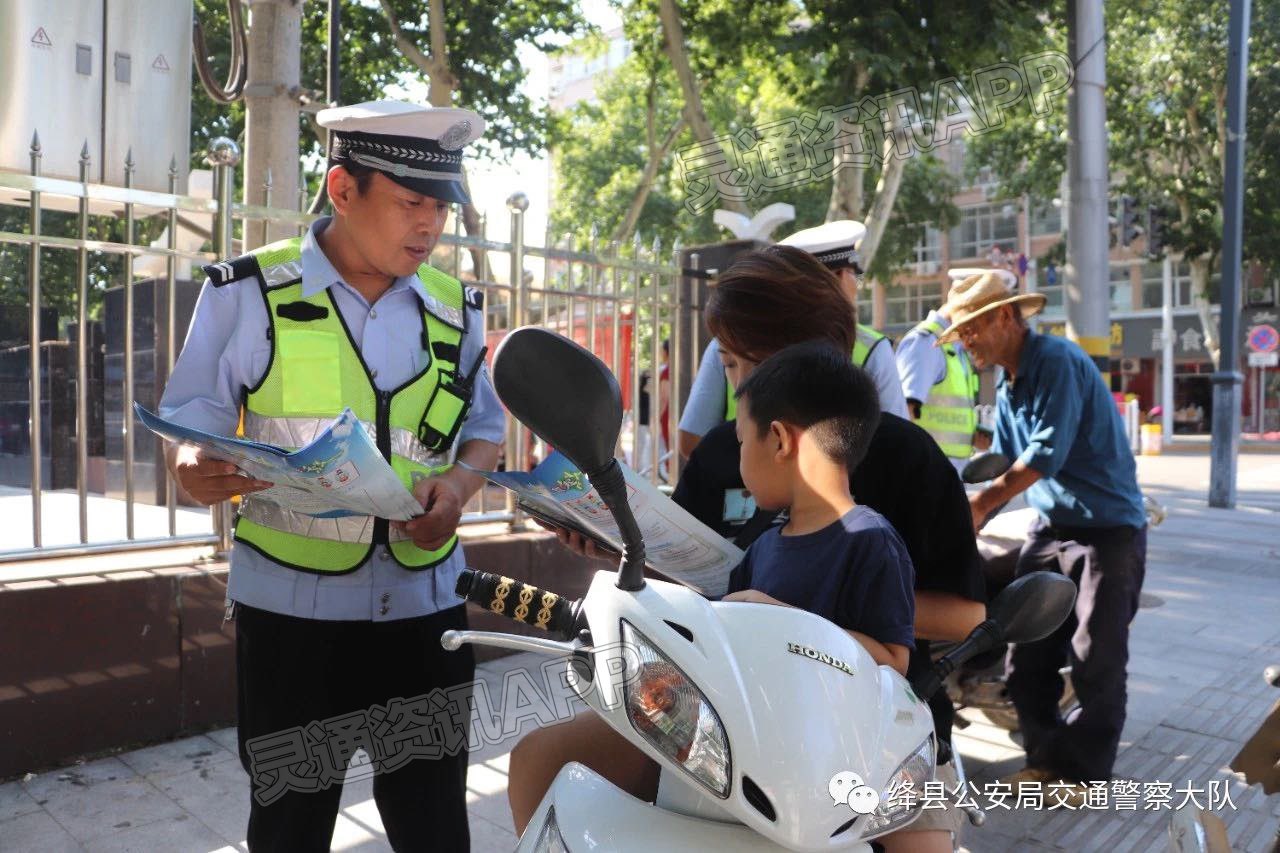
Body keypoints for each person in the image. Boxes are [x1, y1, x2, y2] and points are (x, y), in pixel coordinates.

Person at [519, 247, 984, 853]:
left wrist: (805, 617)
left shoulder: (904, 459)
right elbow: (698, 585)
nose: (734, 385)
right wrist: (616, 547)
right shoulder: (724, 451)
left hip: (878, 728)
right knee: (539, 761)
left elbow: (967, 616)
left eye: (740, 364)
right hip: (718, 713)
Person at [158, 100, 505, 851]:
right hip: (292, 622)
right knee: (289, 828)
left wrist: (459, 488)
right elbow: (191, 427)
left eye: (441, 207)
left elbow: (483, 431)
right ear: (343, 190)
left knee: (436, 824)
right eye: (412, 202)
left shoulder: (458, 309)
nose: (431, 225)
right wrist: (195, 468)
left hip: (425, 613)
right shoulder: (248, 292)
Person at [952, 272, 1148, 799]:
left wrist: (983, 504)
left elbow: (1043, 454)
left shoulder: (1056, 361)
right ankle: (1044, 759)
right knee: (1025, 654)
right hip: (1050, 526)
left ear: (1006, 316)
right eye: (959, 331)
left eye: (972, 326)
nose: (965, 339)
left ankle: (1084, 773)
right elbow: (1003, 458)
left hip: (1108, 531)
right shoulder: (1010, 381)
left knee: (1095, 657)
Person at [676, 220, 909, 459]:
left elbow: (691, 438)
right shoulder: (872, 347)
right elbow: (898, 447)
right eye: (731, 364)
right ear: (838, 277)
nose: (745, 383)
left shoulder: (725, 340)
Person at [895, 267, 1013, 473]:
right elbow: (902, 416)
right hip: (926, 476)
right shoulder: (925, 342)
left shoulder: (956, 348)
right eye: (988, 316)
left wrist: (972, 436)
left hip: (949, 475)